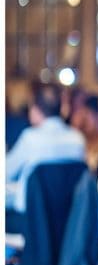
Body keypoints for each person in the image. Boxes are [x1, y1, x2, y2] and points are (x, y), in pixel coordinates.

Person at [5, 80, 86, 232]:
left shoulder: (31, 138)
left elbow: (6, 172)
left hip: (30, 220)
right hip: (66, 222)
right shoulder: (78, 139)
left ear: (35, 109)